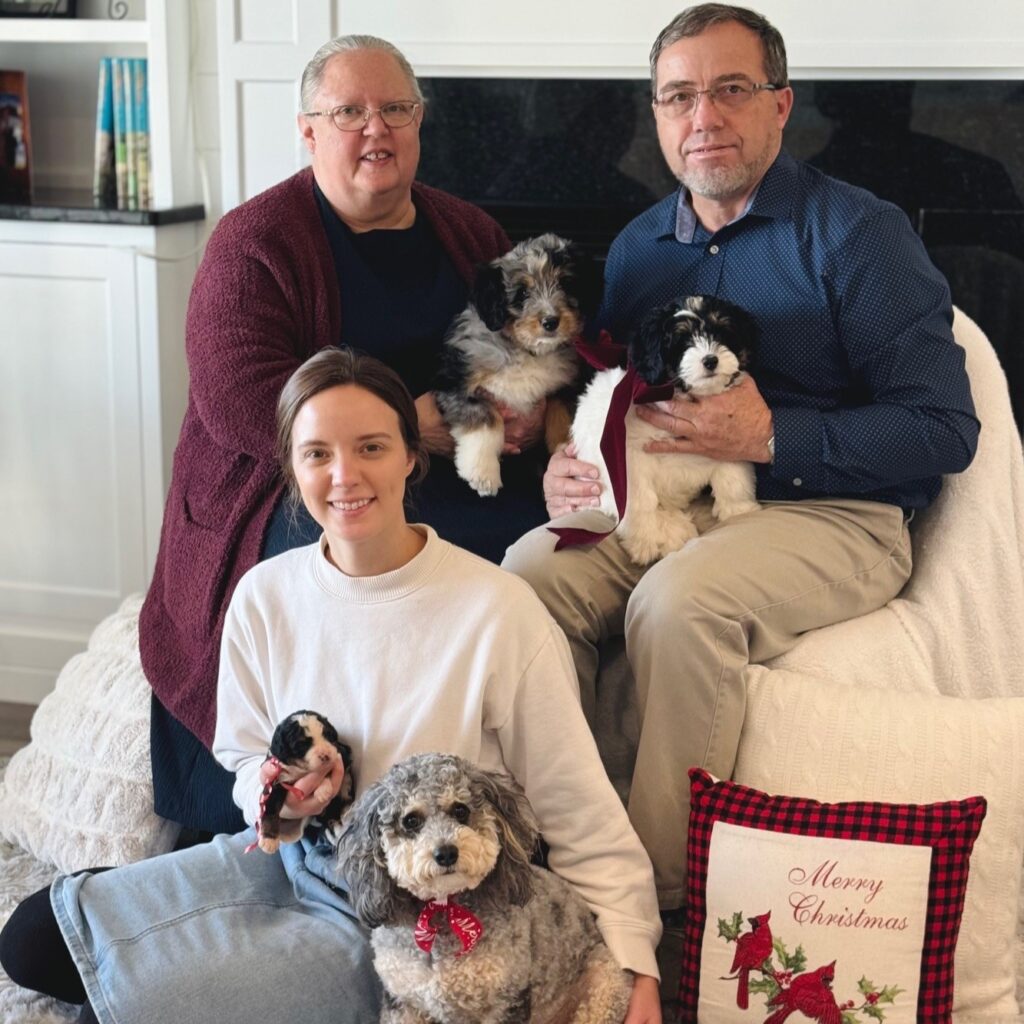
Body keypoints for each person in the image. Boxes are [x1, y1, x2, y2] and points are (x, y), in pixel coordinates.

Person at [501, 1, 979, 998]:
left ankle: (650, 917)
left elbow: (942, 430)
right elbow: (607, 391)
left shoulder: (859, 235)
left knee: (678, 605)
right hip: (666, 494)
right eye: (678, 96)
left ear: (780, 105)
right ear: (655, 116)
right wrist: (571, 465)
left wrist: (769, 439)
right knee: (526, 577)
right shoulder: (639, 246)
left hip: (833, 512)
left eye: (730, 89)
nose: (703, 117)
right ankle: (548, 857)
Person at [0, 349, 663, 1024]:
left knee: (129, 1007)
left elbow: (576, 806)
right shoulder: (264, 595)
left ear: (411, 456)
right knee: (31, 940)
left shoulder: (498, 609)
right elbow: (243, 756)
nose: (345, 475)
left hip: (407, 921)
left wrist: (634, 964)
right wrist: (279, 798)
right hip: (290, 861)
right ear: (293, 468)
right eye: (317, 454)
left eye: (371, 447)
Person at [141, 34, 551, 837]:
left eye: (395, 109)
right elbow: (241, 402)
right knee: (359, 559)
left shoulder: (469, 231)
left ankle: (510, 797)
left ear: (419, 121)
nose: (376, 130)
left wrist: (533, 405)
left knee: (552, 542)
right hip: (295, 482)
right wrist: (407, 430)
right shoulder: (254, 243)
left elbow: (528, 345)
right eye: (349, 113)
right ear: (307, 129)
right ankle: (347, 808)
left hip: (455, 465)